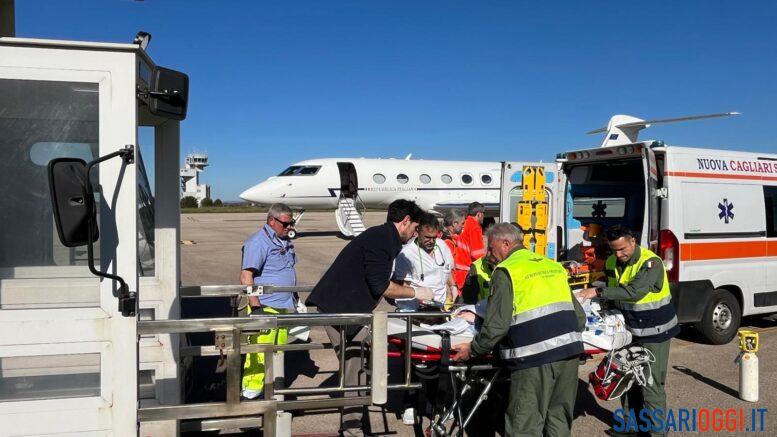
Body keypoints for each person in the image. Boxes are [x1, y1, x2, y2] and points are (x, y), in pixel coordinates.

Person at [306, 199, 430, 437]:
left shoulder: (383, 237)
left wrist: (400, 294)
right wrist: (417, 292)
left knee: (362, 361)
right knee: (354, 365)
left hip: (348, 308)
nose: (415, 235)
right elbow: (382, 286)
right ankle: (352, 428)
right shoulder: (382, 240)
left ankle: (356, 416)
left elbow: (376, 282)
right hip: (340, 310)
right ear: (405, 222)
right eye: (415, 229)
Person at [453, 223, 585, 437]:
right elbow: (579, 317)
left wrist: (473, 349)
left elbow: (496, 326)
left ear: (505, 243)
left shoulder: (506, 272)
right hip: (569, 353)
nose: (488, 254)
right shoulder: (552, 265)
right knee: (559, 420)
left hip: (533, 358)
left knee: (523, 425)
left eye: (490, 248)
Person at [576, 225, 679, 437]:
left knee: (650, 385)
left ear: (633, 241)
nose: (619, 254)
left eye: (623, 249)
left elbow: (633, 292)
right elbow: (614, 288)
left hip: (654, 332)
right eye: (614, 250)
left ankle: (658, 433)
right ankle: (630, 425)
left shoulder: (651, 263)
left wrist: (597, 291)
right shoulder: (613, 261)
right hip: (629, 329)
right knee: (625, 378)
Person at [239, 203, 297, 399]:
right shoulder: (258, 243)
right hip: (266, 307)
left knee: (277, 354)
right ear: (272, 221)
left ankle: (272, 390)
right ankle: (250, 395)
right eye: (286, 224)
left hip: (283, 307)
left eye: (292, 223)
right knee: (258, 356)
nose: (290, 227)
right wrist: (256, 308)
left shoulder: (284, 241)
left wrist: (295, 299)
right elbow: (246, 276)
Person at [393, 212, 456, 310]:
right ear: (418, 231)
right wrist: (419, 295)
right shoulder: (406, 254)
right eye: (427, 237)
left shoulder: (442, 246)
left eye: (434, 237)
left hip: (441, 307)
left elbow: (447, 270)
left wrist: (453, 287)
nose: (431, 241)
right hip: (415, 309)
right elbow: (402, 286)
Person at [442, 208, 469, 290]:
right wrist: (454, 287)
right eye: (462, 223)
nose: (464, 226)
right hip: (453, 287)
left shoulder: (453, 240)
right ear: (454, 223)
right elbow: (447, 269)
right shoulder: (447, 243)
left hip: (458, 285)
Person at [458, 201, 487, 272]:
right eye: (484, 213)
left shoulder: (464, 223)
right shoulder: (475, 227)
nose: (484, 216)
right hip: (466, 267)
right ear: (479, 214)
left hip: (458, 265)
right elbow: (477, 253)